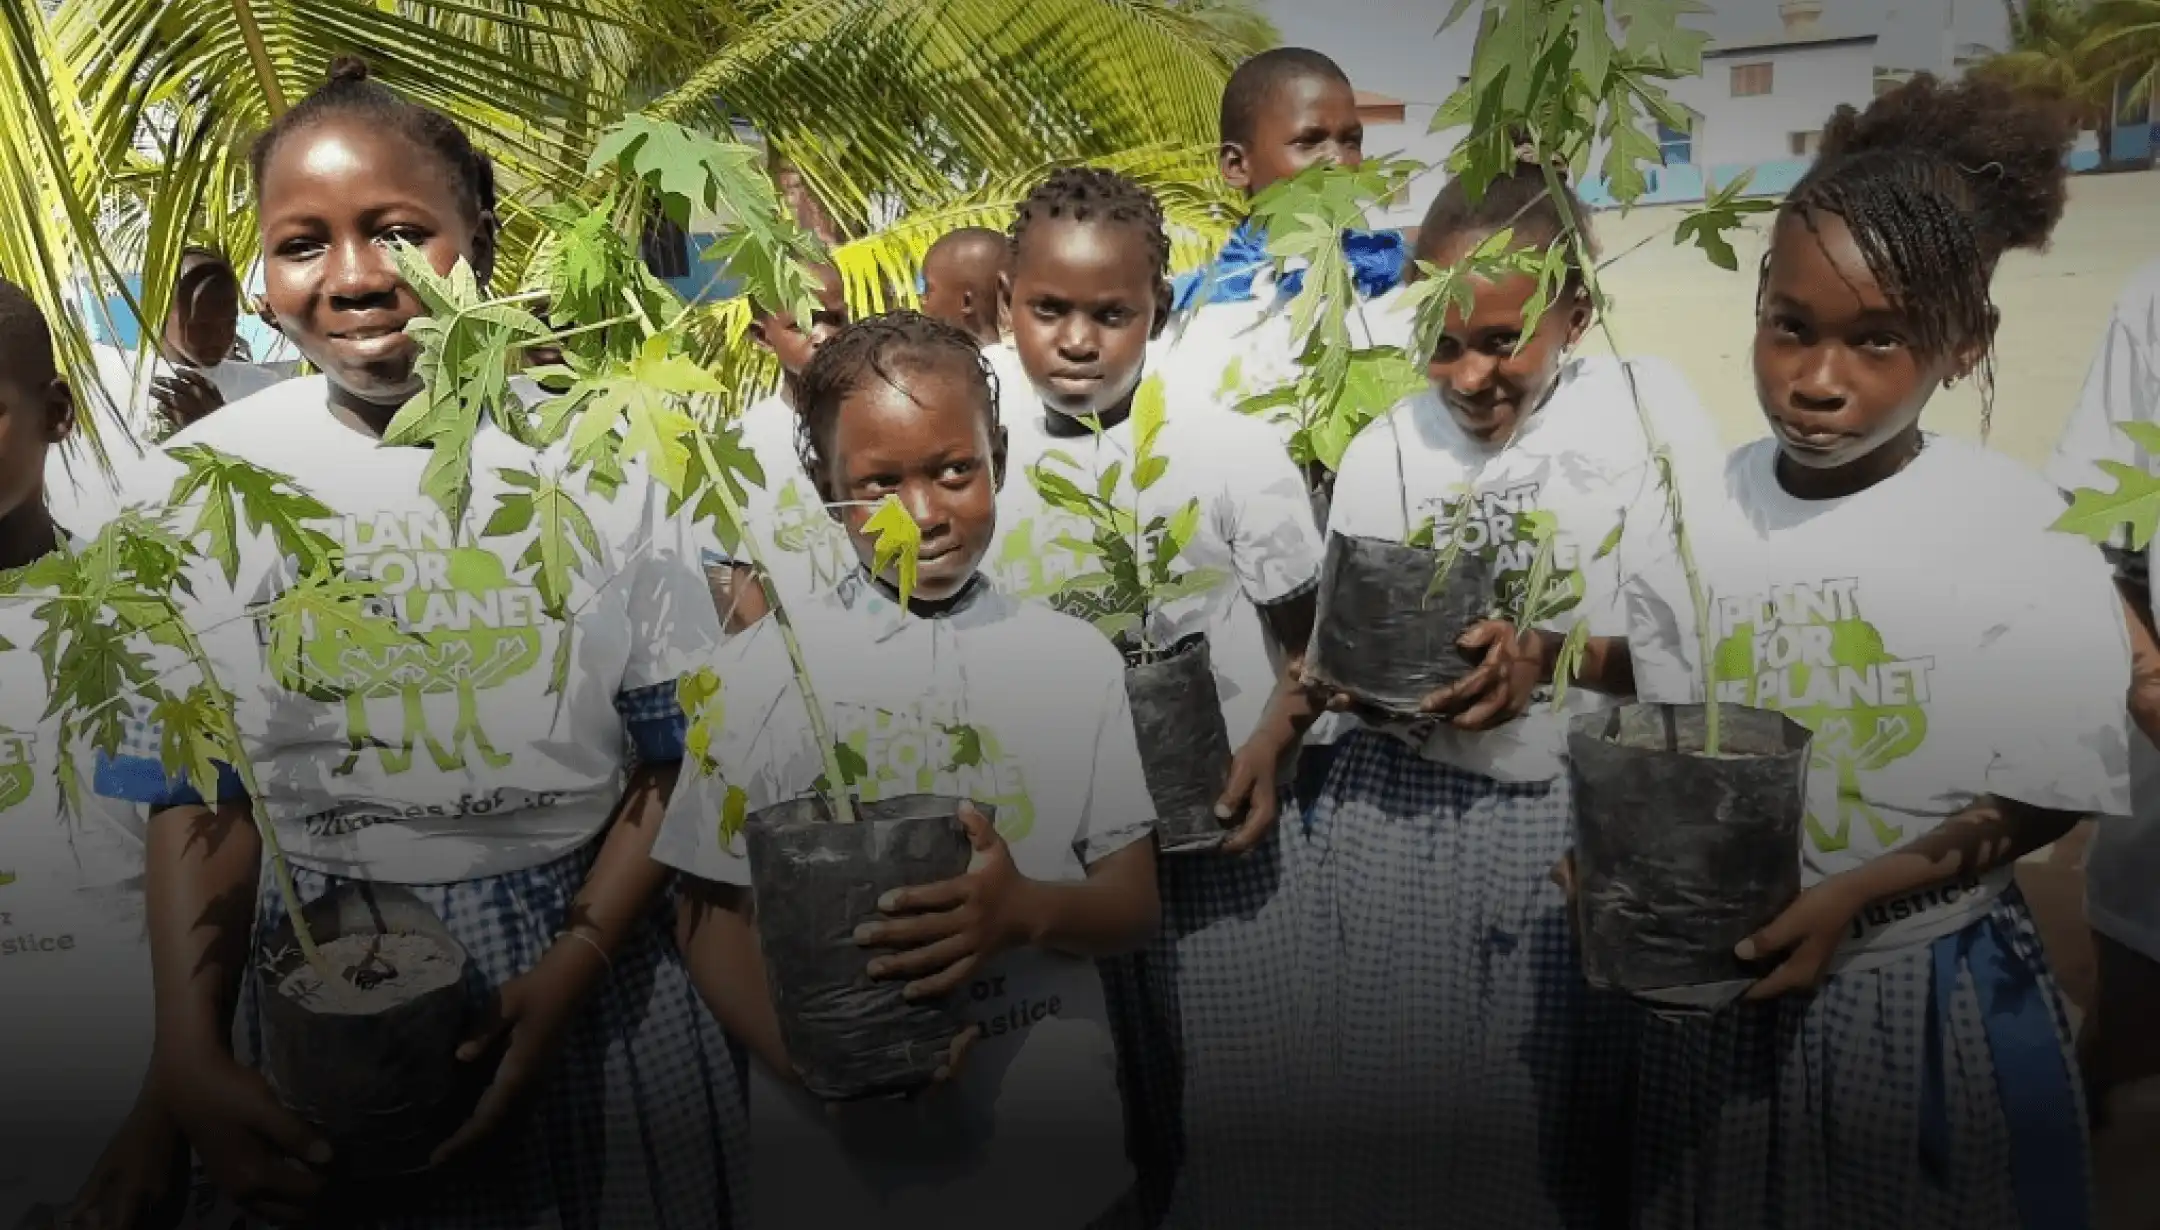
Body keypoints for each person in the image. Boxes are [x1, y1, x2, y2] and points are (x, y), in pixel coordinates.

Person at [94, 58, 741, 1228]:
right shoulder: (192, 487)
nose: (351, 278)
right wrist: (187, 1055)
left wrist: (574, 965)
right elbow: (197, 791)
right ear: (263, 270)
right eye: (302, 243)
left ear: (475, 237)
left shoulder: (599, 456)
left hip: (582, 953)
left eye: (398, 232)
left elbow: (674, 753)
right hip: (318, 971)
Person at [1620, 75, 2129, 1229]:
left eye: (1877, 338)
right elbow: (1678, 744)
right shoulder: (1689, 515)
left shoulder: (2013, 530)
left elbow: (2044, 799)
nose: (1817, 378)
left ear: (1962, 347)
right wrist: (1630, 863)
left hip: (1924, 984)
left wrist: (1862, 893)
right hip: (1733, 983)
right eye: (1789, 327)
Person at [1218, 157, 1722, 1230]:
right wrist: (1290, 721)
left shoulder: (1646, 414)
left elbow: (1696, 653)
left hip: (1570, 824)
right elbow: (1346, 649)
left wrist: (1554, 657)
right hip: (1394, 824)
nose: (1468, 376)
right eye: (1442, 342)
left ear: (1575, 316)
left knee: (1553, 1130)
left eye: (1504, 342)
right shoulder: (1384, 447)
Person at [656, 310, 1161, 1230]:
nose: (921, 514)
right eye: (878, 482)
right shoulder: (762, 676)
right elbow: (706, 924)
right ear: (824, 486)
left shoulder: (1074, 660)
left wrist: (1022, 912)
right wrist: (826, 1071)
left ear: (998, 457)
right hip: (840, 1179)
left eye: (952, 470)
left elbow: (1133, 904)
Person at [982, 166, 1326, 1226]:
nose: (1077, 341)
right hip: (1060, 861)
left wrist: (1274, 740)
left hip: (1214, 832)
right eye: (1049, 310)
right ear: (1004, 303)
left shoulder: (1227, 447)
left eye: (1111, 313)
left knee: (1238, 1109)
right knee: (1097, 1120)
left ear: (1158, 312)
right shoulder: (973, 448)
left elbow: (1308, 640)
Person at [0, 277, 196, 1230]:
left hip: (116, 1128)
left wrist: (163, 1113)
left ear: (57, 414)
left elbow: (201, 873)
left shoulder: (140, 624)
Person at [2044, 255, 2160, 1230]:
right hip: (2159, 811)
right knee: (2130, 1029)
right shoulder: (2154, 297)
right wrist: (2150, 679)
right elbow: (2096, 531)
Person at [1162, 48, 1412, 444]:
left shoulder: (1400, 281)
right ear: (1236, 166)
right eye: (1309, 141)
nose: (1338, 161)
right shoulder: (1192, 317)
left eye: (1351, 141)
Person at [50, 249, 291, 536]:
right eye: (200, 325)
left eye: (229, 322)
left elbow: (282, 488)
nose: (219, 337)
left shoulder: (262, 387)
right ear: (161, 310)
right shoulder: (107, 379)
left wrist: (219, 432)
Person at [703, 264, 851, 634]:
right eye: (800, 324)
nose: (822, 336)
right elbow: (729, 572)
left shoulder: (886, 424)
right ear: (762, 336)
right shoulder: (738, 449)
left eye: (833, 318)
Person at [920, 227, 1007, 347]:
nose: (923, 300)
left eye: (928, 289)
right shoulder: (1027, 361)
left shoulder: (968, 365)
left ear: (966, 302)